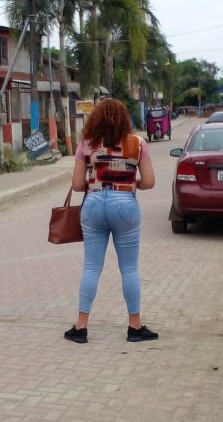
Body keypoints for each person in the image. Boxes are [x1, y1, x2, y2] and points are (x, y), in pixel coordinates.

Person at [65, 98, 157, 344]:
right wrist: (129, 183)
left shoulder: (87, 144)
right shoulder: (138, 144)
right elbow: (149, 182)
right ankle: (135, 326)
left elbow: (77, 185)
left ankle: (81, 327)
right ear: (124, 120)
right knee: (129, 269)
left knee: (91, 267)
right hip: (125, 205)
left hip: (93, 205)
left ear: (95, 120)